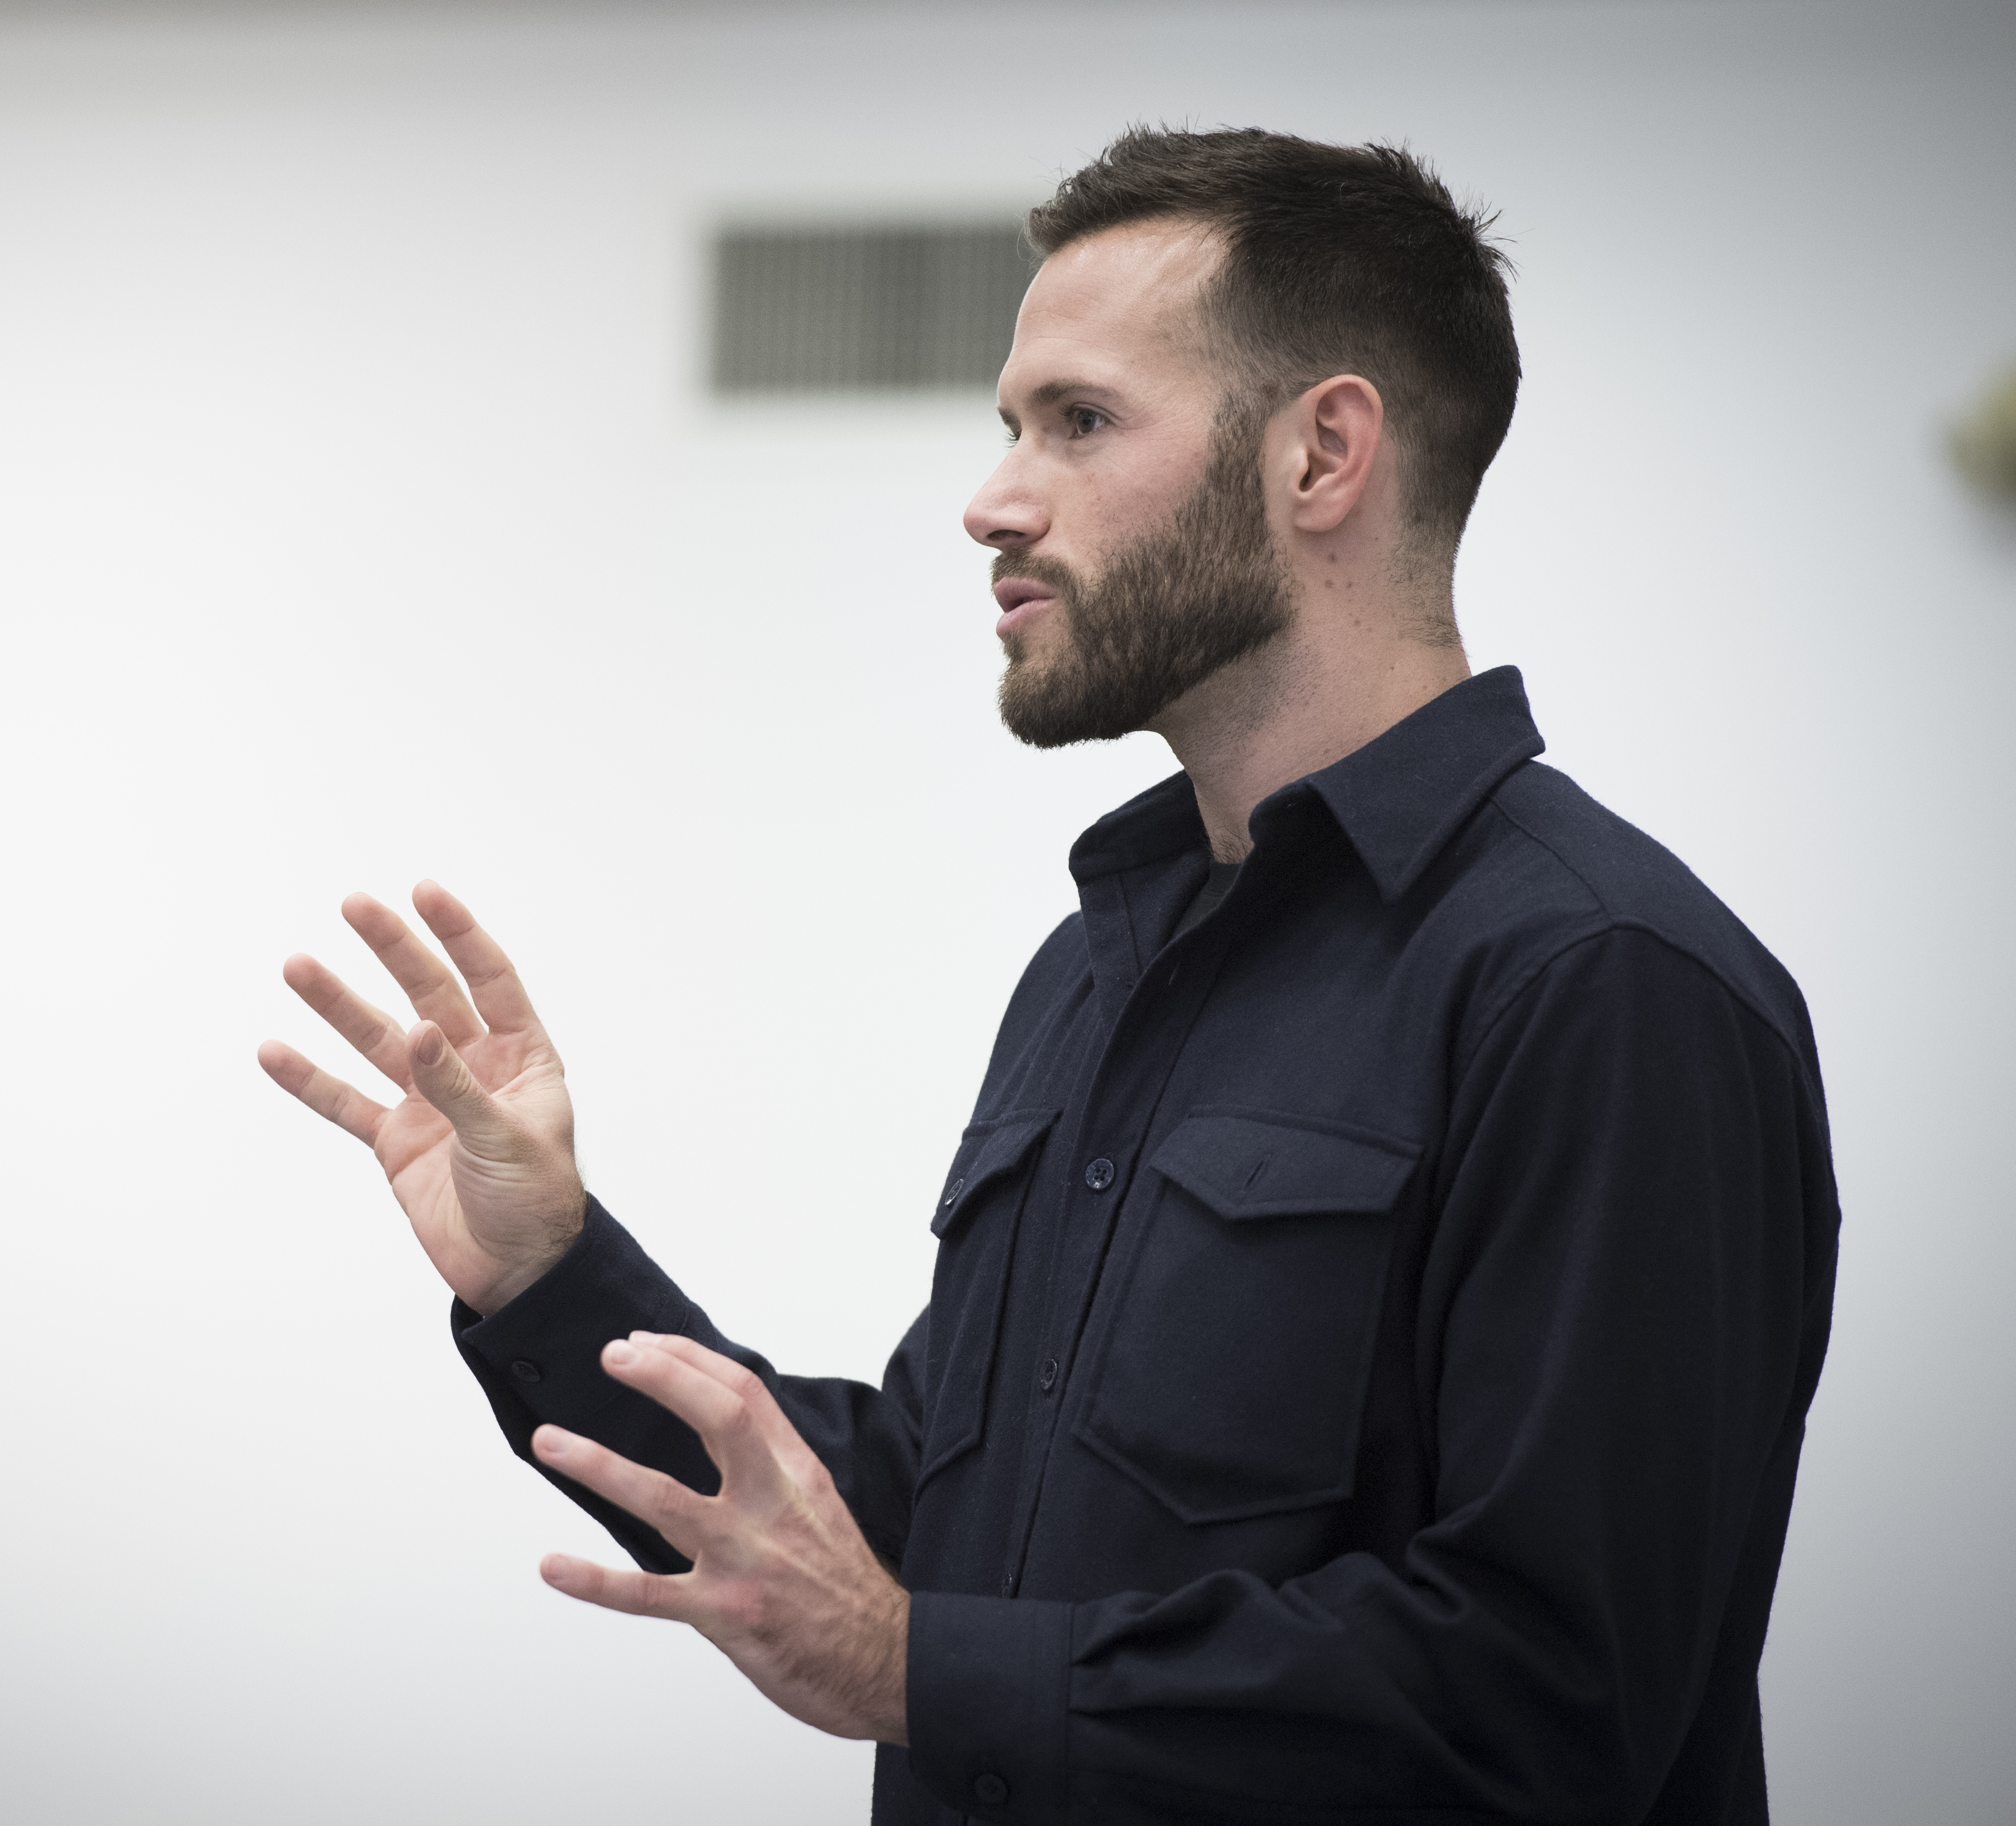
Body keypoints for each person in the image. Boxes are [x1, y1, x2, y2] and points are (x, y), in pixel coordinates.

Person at [258, 127, 1837, 1825]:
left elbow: (1550, 1700)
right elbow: (924, 1533)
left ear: (1324, 454)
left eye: (1078, 423)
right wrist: (549, 1276)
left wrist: (919, 1673)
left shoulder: (1608, 987)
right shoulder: (1102, 970)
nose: (991, 500)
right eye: (1011, 427)